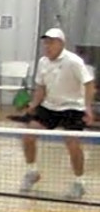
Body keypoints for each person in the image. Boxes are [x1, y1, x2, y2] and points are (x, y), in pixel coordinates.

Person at [21, 28, 95, 199]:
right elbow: (41, 87)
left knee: (73, 145)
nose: (48, 46)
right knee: (28, 136)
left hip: (72, 108)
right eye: (46, 42)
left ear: (61, 44)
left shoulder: (74, 61)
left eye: (52, 42)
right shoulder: (43, 62)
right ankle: (32, 172)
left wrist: (88, 108)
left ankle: (79, 182)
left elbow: (89, 84)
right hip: (50, 106)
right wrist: (33, 104)